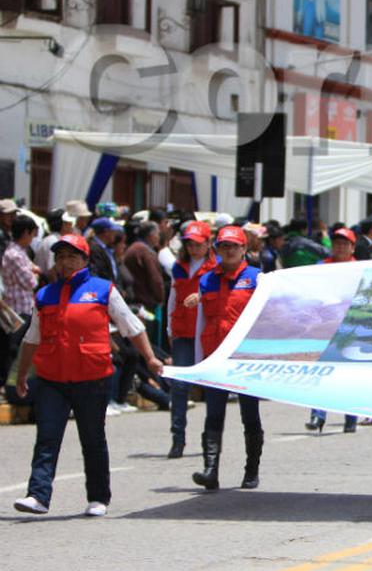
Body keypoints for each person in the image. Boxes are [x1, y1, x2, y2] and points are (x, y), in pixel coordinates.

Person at [12, 234, 163, 516]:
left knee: (92, 438)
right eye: (60, 257)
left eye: (72, 256)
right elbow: (32, 338)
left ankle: (98, 498)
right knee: (47, 437)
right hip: (51, 379)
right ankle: (38, 495)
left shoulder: (103, 290)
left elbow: (131, 327)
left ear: (84, 260)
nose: (65, 262)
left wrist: (151, 358)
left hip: (91, 379)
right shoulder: (44, 295)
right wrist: (20, 376)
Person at [192, 225, 265, 490]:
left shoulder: (257, 278)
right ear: (217, 250)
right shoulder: (207, 280)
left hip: (246, 359)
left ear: (244, 249)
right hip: (216, 356)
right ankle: (210, 470)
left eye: (234, 246)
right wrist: (199, 362)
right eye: (224, 246)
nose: (229, 250)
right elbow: (201, 321)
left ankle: (251, 470)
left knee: (250, 415)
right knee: (213, 414)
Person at [166, 221, 217, 459]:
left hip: (208, 332)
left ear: (208, 244)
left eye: (198, 244)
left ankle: (210, 438)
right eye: (189, 244)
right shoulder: (179, 266)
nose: (193, 249)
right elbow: (172, 296)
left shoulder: (215, 267)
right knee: (179, 386)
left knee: (211, 386)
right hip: (183, 332)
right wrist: (169, 327)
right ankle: (178, 438)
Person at [306, 227, 358, 435]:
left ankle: (350, 416)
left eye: (345, 243)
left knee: (347, 375)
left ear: (352, 247)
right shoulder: (322, 267)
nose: (340, 247)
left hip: (351, 326)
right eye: (337, 242)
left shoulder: (363, 267)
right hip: (325, 326)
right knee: (320, 372)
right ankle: (318, 415)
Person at [0, 215, 40, 383]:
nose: (33, 238)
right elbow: (30, 282)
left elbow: (34, 269)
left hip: (23, 306)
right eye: (32, 234)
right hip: (17, 309)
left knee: (14, 348)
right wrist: (35, 274)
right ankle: (5, 383)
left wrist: (34, 271)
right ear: (25, 233)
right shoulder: (15, 255)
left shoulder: (19, 252)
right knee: (11, 349)